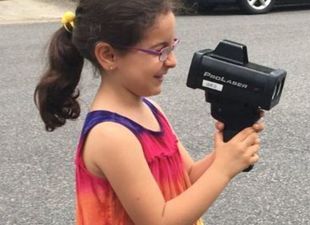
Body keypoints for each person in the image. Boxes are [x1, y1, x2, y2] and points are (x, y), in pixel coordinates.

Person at [34, 0, 264, 224]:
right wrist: (222, 169)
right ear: (108, 55)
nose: (172, 61)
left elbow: (188, 178)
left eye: (172, 46)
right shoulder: (111, 135)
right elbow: (159, 220)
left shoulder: (150, 109)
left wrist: (227, 151)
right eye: (160, 51)